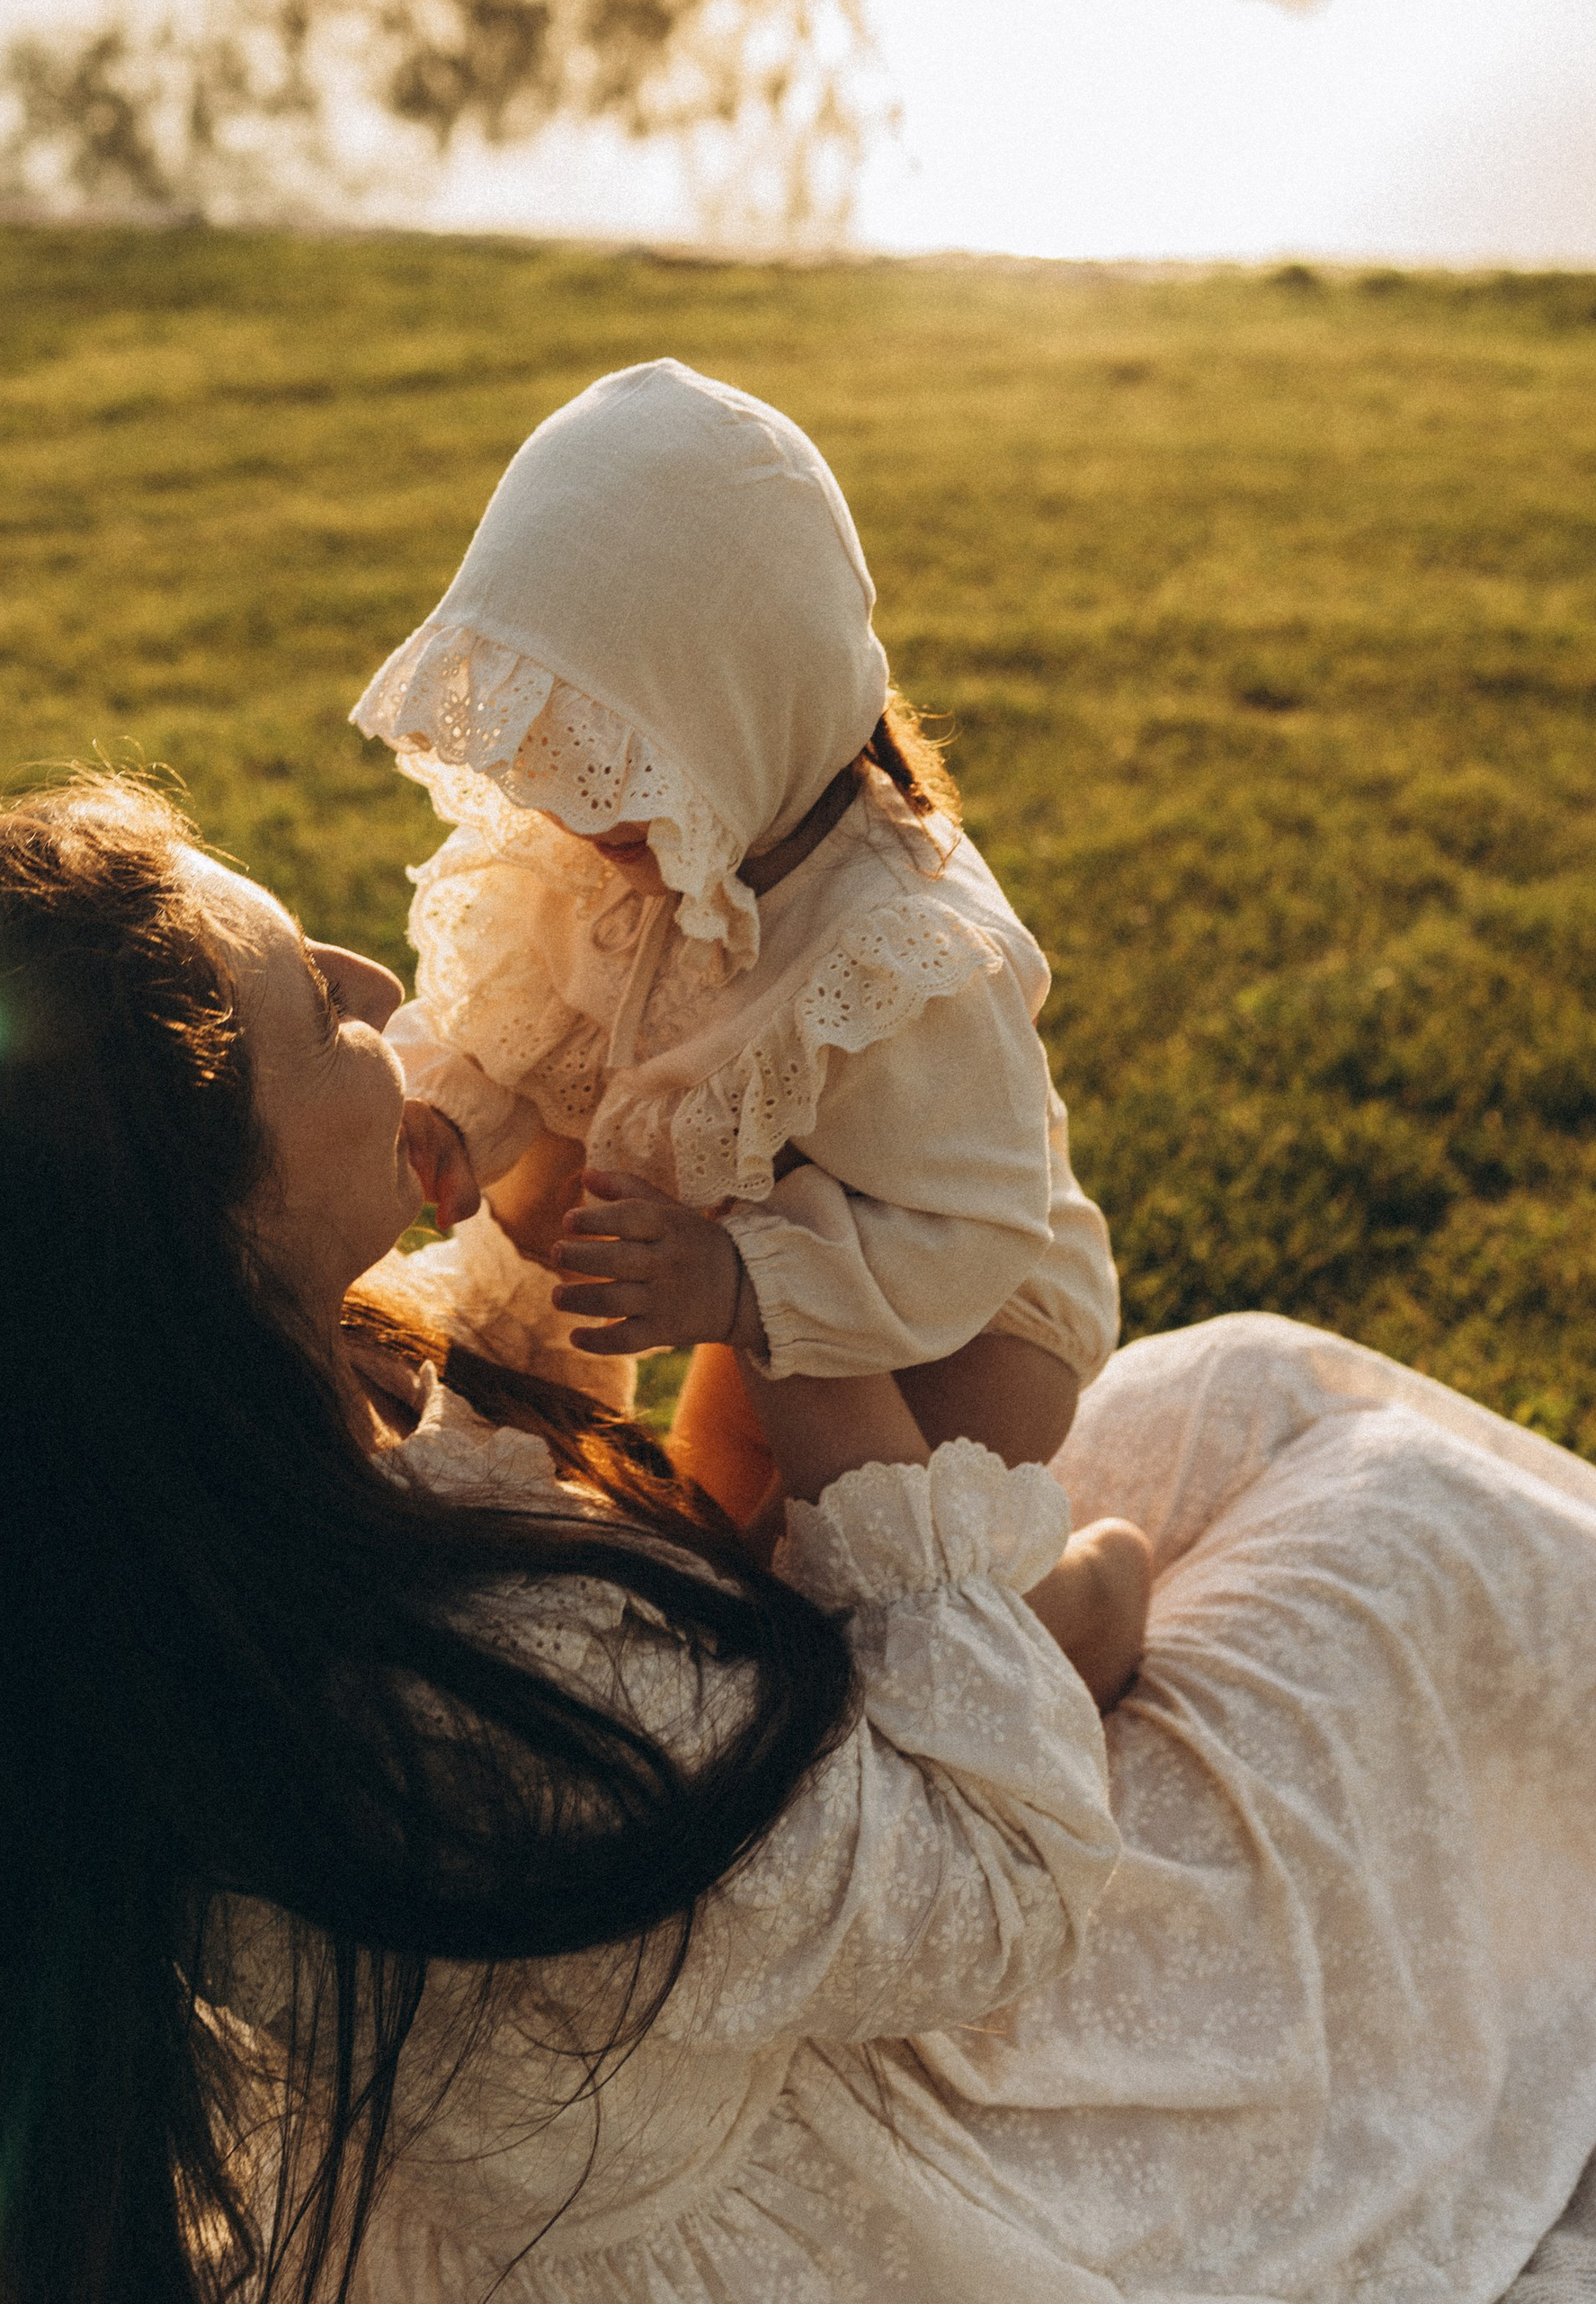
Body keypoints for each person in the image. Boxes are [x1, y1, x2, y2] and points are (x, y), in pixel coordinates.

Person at [0, 772, 1596, 2304]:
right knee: (1399, 1532)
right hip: (847, 2178)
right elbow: (979, 1884)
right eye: (317, 1000)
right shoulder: (460, 1701)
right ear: (183, 1234)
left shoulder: (152, 1526)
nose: (382, 990)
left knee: (1220, 1389)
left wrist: (589, 1160)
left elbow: (520, 1444)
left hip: (708, 1930)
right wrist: (789, 1305)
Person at [350, 357, 1119, 1577]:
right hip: (769, 1279)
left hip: (967, 1323)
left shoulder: (898, 945)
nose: (573, 798)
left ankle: (1088, 1594)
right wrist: (451, 1106)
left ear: (754, 706)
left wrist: (738, 1285)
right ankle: (675, 1460)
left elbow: (971, 1223)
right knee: (710, 1548)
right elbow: (523, 1025)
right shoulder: (606, 852)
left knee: (869, 1597)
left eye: (620, 757)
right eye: (558, 749)